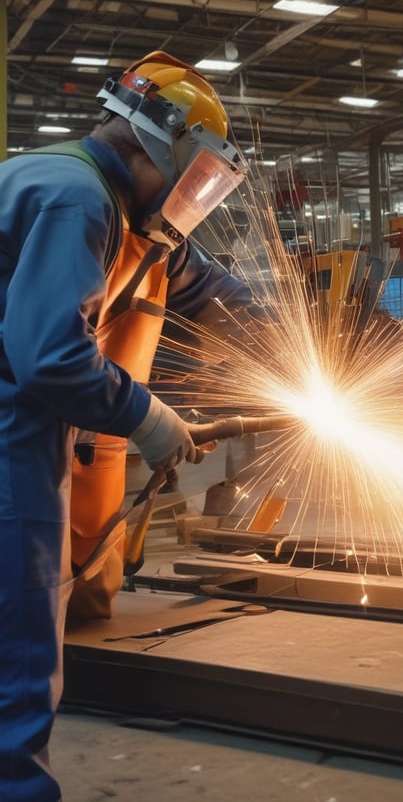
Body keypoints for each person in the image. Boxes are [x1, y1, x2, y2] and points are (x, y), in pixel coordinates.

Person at [0, 51, 253, 801]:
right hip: (10, 439)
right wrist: (147, 416)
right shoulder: (76, 199)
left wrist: (286, 342)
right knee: (19, 653)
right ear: (155, 147)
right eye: (195, 177)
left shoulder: (124, 207)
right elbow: (50, 357)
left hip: (27, 433)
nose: (193, 199)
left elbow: (204, 284)